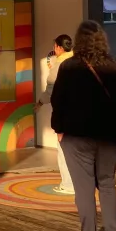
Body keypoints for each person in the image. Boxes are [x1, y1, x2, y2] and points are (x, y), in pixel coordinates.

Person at [51, 21, 116, 231]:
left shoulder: (69, 66)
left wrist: (59, 128)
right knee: (107, 184)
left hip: (76, 136)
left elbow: (58, 100)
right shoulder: (113, 66)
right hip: (107, 135)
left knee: (84, 189)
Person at [36, 34, 75, 194]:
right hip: (83, 112)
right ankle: (81, 182)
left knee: (64, 149)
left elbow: (50, 91)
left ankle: (68, 184)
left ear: (59, 47)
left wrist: (39, 102)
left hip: (65, 113)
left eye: (55, 47)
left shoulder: (59, 65)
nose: (54, 50)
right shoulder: (80, 61)